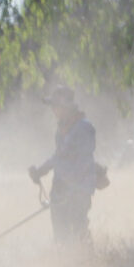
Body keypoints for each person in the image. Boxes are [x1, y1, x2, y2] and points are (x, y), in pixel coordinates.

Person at [28, 85, 98, 244]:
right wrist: (40, 171)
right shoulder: (63, 129)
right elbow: (58, 156)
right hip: (62, 191)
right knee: (61, 236)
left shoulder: (84, 128)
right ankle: (65, 263)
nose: (53, 110)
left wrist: (69, 188)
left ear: (66, 106)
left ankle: (85, 263)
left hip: (77, 191)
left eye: (56, 106)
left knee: (78, 233)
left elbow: (77, 159)